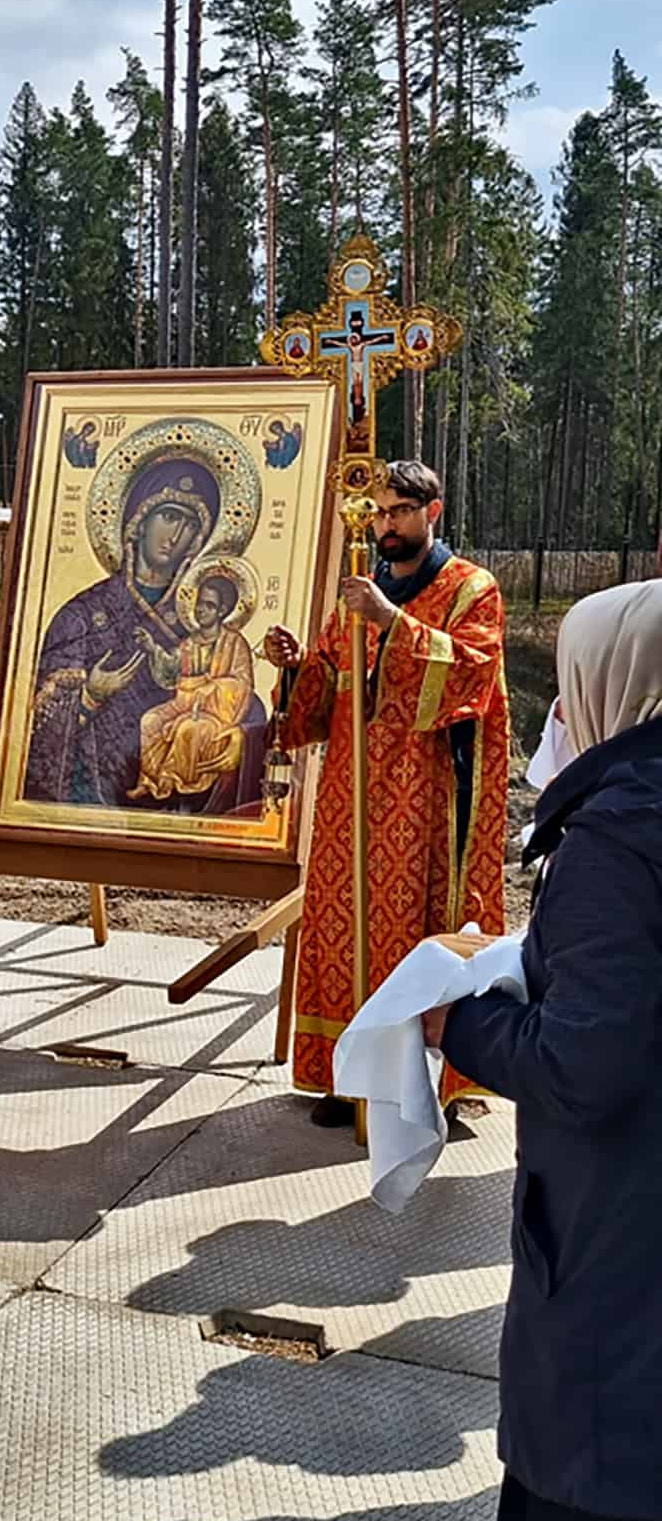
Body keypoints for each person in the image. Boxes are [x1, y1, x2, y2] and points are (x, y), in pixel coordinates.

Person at [432, 581, 662, 1521]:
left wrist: (462, 1019)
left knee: (620, 1439)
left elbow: (587, 1064)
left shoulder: (618, 833)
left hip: (630, 1210)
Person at [267, 459, 508, 1125]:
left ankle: (430, 1082)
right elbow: (318, 700)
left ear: (432, 512)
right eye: (378, 512)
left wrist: (392, 624)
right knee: (343, 929)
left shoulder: (469, 589)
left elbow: (473, 676)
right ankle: (347, 1080)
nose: (386, 525)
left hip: (425, 794)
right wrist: (292, 668)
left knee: (415, 931)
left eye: (399, 511)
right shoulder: (364, 587)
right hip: (351, 796)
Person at [23, 452, 220, 809]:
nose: (176, 535)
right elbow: (35, 729)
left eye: (190, 525)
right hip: (95, 801)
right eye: (169, 516)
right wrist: (89, 697)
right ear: (139, 521)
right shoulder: (81, 616)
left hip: (181, 801)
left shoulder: (202, 623)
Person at [129, 570, 260, 806]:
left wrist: (212, 687)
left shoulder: (235, 643)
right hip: (184, 702)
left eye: (209, 605)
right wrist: (152, 649)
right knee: (150, 720)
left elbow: (242, 683)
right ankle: (149, 781)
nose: (201, 610)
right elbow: (170, 670)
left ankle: (174, 782)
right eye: (199, 603)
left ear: (222, 611)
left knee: (188, 729)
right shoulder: (189, 642)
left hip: (217, 713)